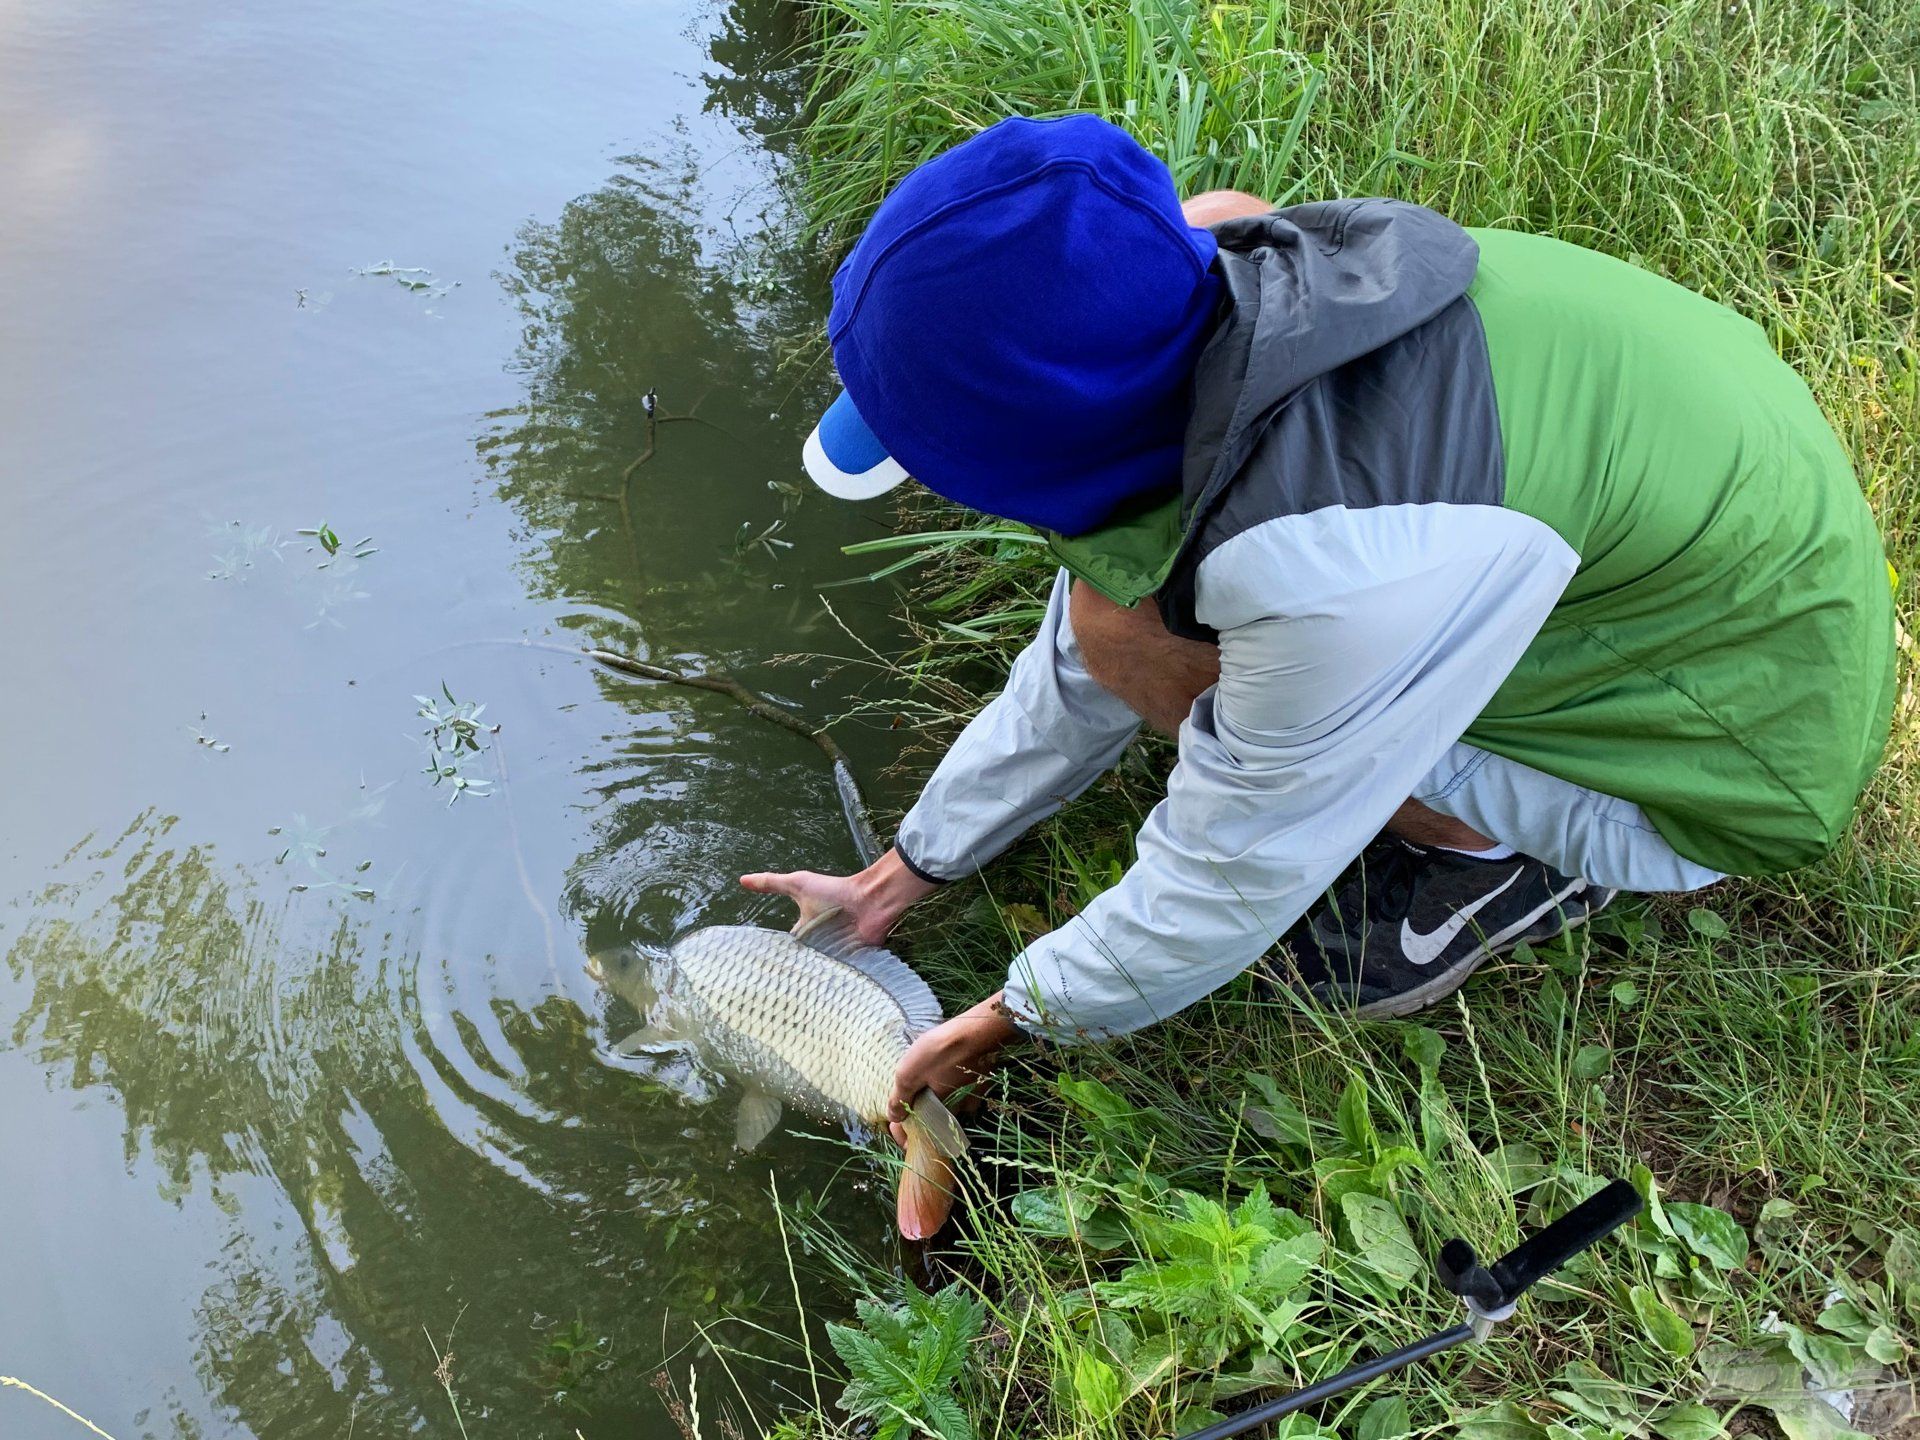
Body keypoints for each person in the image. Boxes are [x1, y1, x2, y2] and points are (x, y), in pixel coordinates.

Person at [742, 114, 1896, 1145]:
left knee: (1222, 683)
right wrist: (911, 867)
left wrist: (1012, 1015)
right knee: (1123, 622)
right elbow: (1082, 649)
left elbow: (1234, 867)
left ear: (1048, 453)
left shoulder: (1337, 559)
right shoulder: (1209, 285)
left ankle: (1493, 868)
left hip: (1732, 748)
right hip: (1657, 574)